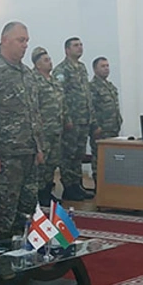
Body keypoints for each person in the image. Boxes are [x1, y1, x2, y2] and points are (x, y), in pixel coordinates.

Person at [0, 22, 45, 242]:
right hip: (4, 157)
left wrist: (38, 147)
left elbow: (34, 113)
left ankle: (23, 257)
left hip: (28, 155)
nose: (25, 45)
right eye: (20, 40)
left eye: (26, 41)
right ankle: (0, 260)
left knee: (26, 213)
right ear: (4, 40)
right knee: (2, 215)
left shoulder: (27, 74)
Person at [53, 37, 94, 200]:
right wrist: (66, 118)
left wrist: (90, 116)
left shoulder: (82, 68)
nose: (80, 48)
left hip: (83, 119)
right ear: (67, 50)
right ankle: (68, 187)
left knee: (78, 155)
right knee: (68, 155)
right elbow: (59, 96)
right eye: (76, 45)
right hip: (71, 121)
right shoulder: (62, 70)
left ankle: (77, 185)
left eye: (81, 45)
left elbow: (86, 94)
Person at [31, 47, 64, 206]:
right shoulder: (34, 81)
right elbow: (33, 106)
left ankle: (47, 192)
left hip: (56, 129)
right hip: (42, 131)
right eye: (45, 60)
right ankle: (38, 194)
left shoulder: (54, 81)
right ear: (37, 65)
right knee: (41, 165)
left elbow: (61, 103)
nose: (50, 62)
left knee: (52, 163)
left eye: (49, 59)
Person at [90, 57, 122, 157]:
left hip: (113, 129)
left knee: (112, 158)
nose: (106, 68)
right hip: (101, 130)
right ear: (95, 69)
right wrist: (95, 127)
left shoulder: (110, 86)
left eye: (107, 66)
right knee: (100, 158)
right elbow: (90, 108)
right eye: (103, 66)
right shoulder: (92, 87)